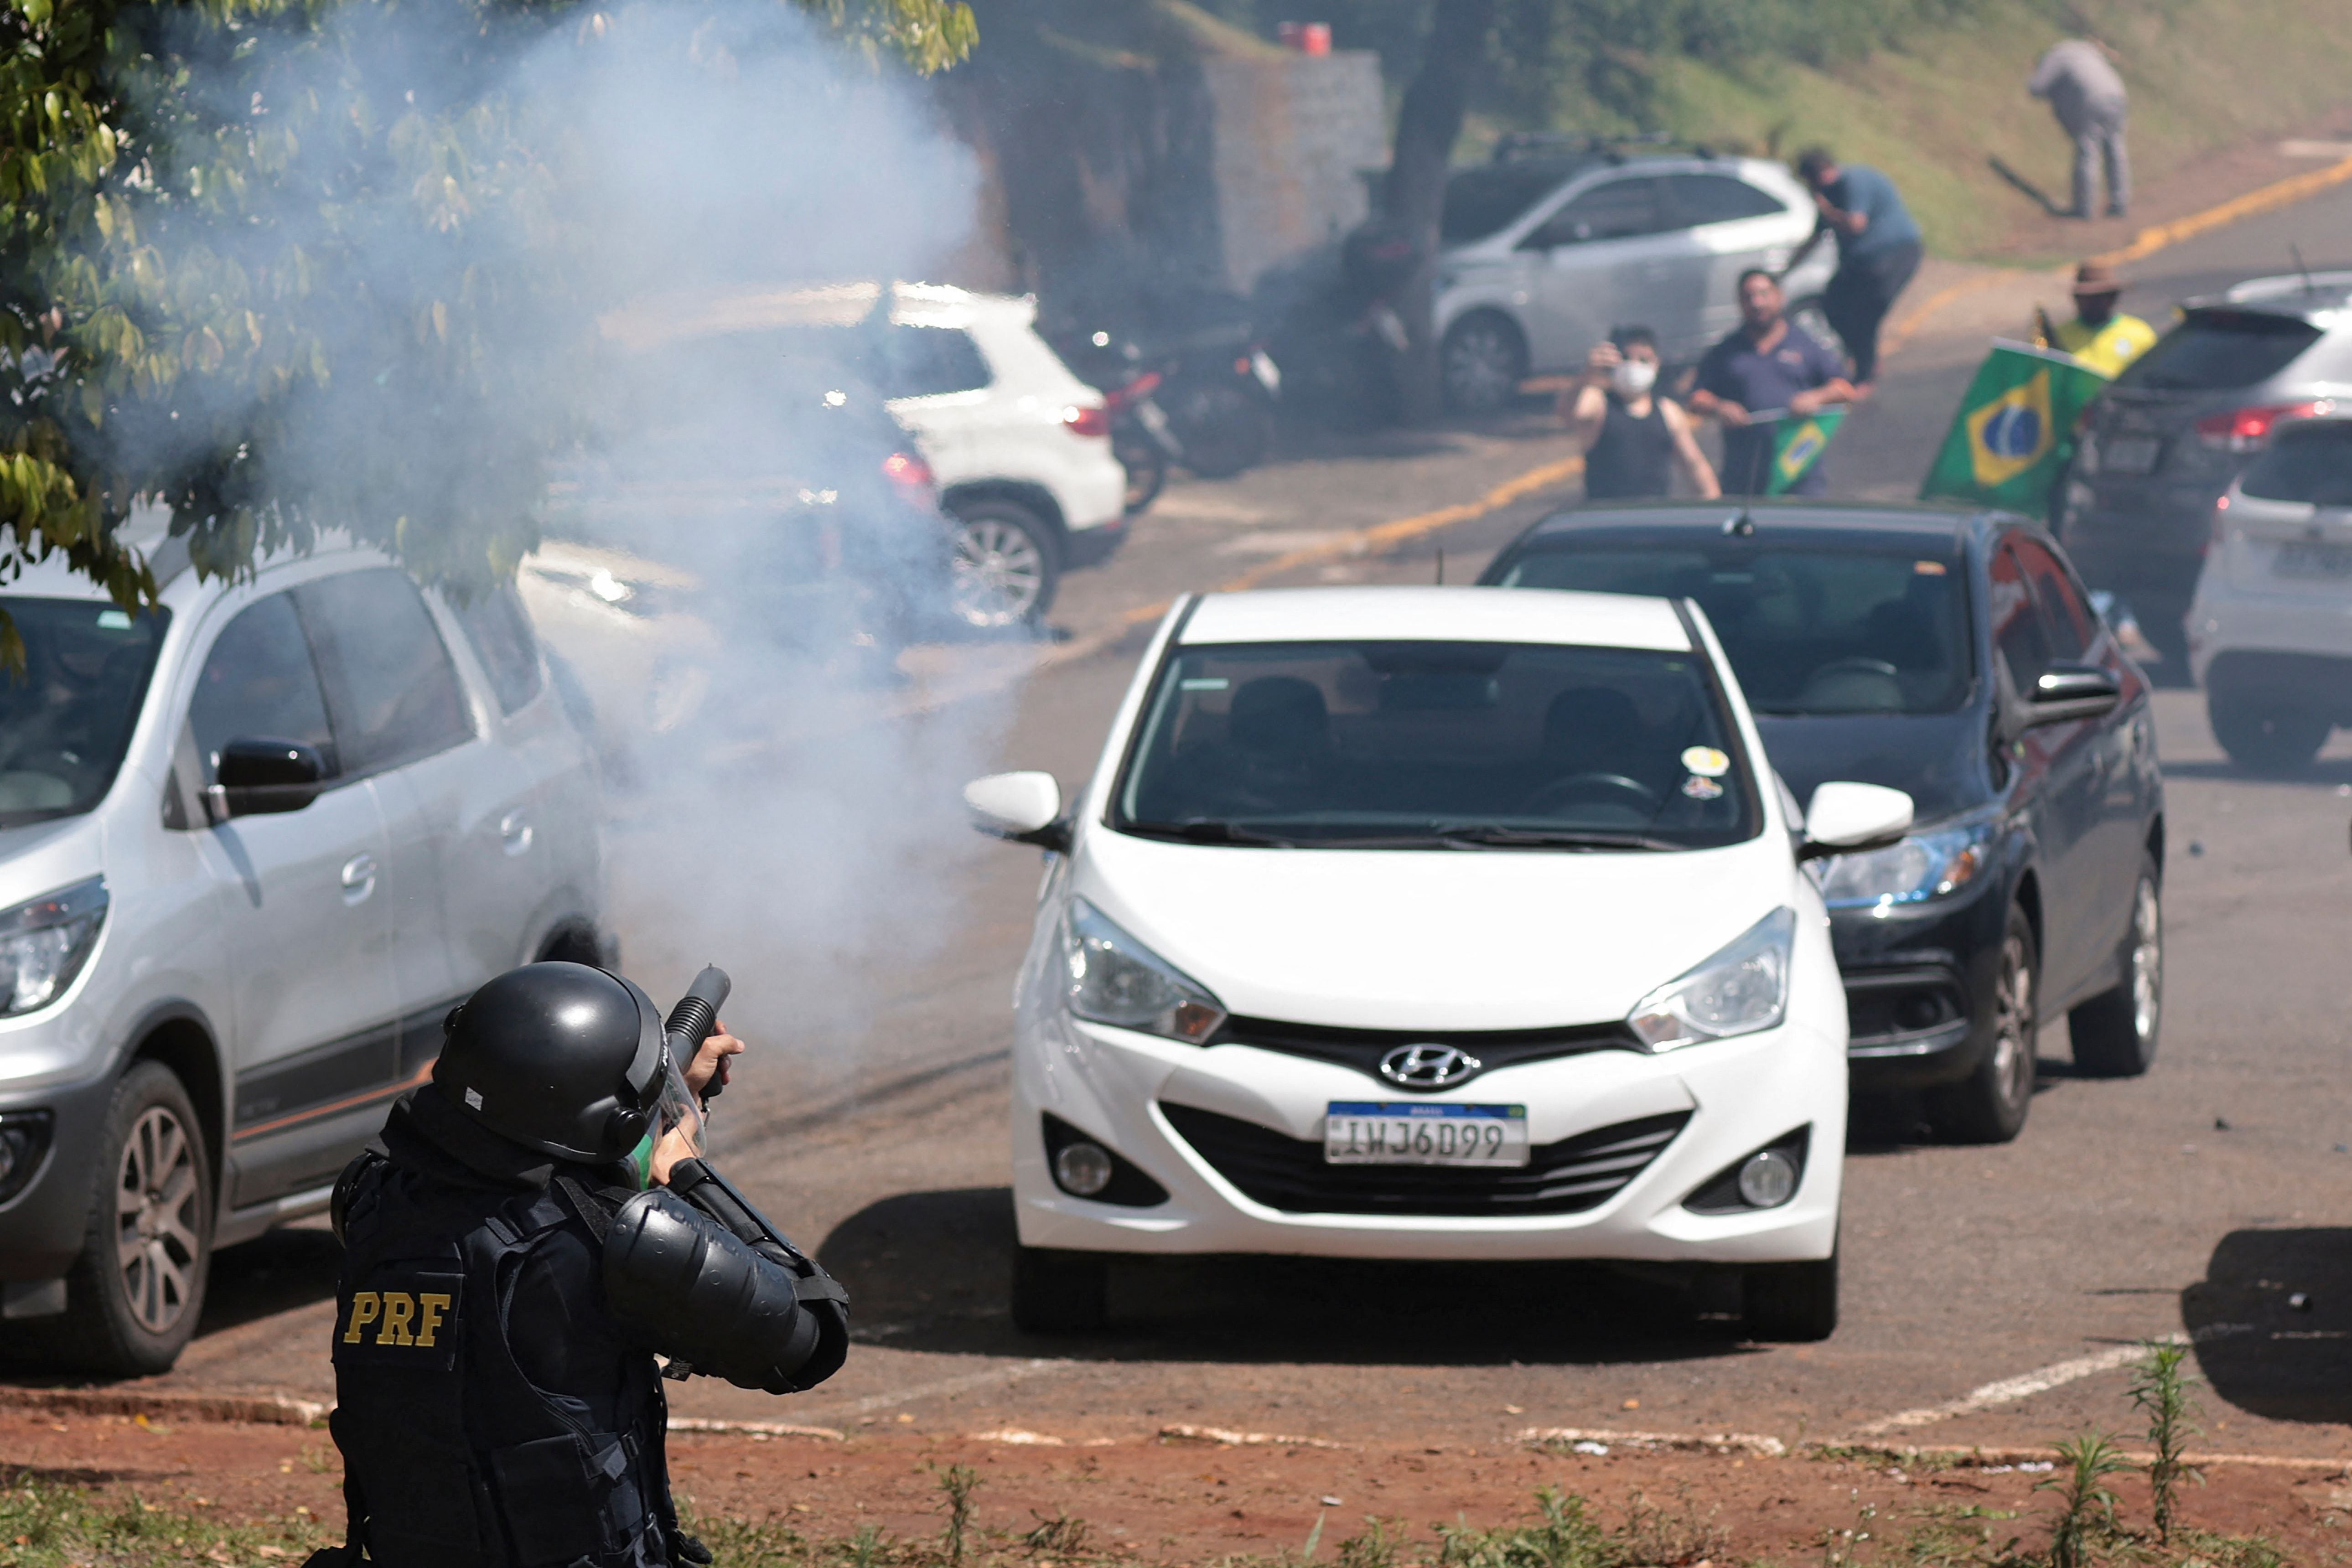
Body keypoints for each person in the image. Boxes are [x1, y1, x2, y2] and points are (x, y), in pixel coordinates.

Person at [316, 963, 849, 1568]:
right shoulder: (609, 1239)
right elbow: (810, 1336)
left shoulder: (374, 1201)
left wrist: (660, 1098)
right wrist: (682, 1169)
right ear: (609, 1120)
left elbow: (510, 1173)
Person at [1689, 270, 1856, 497]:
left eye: (1763, 294)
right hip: (1745, 477)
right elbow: (1697, 398)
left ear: (1780, 296)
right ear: (1740, 303)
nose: (1757, 303)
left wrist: (1816, 398)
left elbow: (1844, 389)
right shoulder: (1726, 352)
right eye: (1748, 297)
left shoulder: (1804, 344)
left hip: (1798, 469)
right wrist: (1720, 407)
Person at [1787, 148, 1923, 388]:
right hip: (1860, 264)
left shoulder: (1853, 182)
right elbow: (1815, 239)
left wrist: (1825, 207)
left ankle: (1865, 374)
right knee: (1833, 305)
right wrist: (1786, 271)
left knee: (1866, 315)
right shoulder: (1831, 194)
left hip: (1893, 256)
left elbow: (1855, 224)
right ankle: (1862, 359)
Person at [1560, 327, 1720, 500]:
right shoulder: (1599, 402)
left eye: (1644, 360)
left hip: (1651, 517)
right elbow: (1568, 413)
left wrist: (1712, 505)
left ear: (1656, 364)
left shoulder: (1668, 412)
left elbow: (1695, 466)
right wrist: (1586, 376)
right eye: (1627, 359)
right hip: (1605, 518)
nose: (1635, 366)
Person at [2029, 38, 2129, 219]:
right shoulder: (2086, 50)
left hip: (2092, 100)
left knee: (2088, 151)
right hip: (2117, 94)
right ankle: (2120, 201)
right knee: (2115, 147)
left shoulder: (2056, 56)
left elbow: (2037, 87)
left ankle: (2085, 208)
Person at [2049, 259, 2155, 377]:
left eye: (2099, 297)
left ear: (2112, 297)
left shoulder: (2140, 334)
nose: (2092, 303)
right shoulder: (2058, 336)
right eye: (2086, 297)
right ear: (2076, 298)